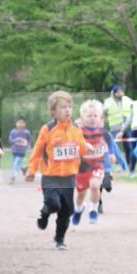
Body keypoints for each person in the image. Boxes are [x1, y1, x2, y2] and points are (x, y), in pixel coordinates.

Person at [25, 91, 88, 250]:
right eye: (63, 107)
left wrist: (86, 147)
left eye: (70, 107)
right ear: (53, 111)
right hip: (50, 176)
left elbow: (82, 149)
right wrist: (32, 170)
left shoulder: (76, 129)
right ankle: (44, 213)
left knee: (67, 210)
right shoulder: (48, 129)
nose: (67, 110)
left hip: (69, 176)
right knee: (53, 203)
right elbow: (37, 151)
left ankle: (59, 239)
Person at [73, 100, 118, 225]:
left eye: (95, 116)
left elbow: (110, 143)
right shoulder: (78, 132)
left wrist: (112, 154)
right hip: (82, 168)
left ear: (100, 118)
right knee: (81, 194)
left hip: (97, 166)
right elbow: (72, 143)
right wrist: (81, 147)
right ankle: (78, 209)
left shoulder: (104, 133)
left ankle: (93, 210)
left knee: (95, 185)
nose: (92, 118)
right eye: (89, 116)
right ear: (82, 118)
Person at [103, 84, 133, 173]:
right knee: (116, 148)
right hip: (115, 128)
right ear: (115, 93)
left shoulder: (127, 100)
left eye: (122, 91)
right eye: (119, 92)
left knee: (129, 147)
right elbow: (103, 113)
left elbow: (133, 110)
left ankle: (129, 164)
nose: (121, 93)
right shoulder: (108, 102)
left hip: (126, 127)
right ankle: (119, 165)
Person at [7, 117, 31, 184]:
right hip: (14, 150)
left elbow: (29, 140)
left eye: (22, 123)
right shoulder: (13, 132)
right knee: (17, 162)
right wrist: (16, 140)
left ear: (25, 124)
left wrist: (28, 146)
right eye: (19, 123)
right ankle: (24, 168)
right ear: (16, 124)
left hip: (22, 151)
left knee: (15, 163)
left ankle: (13, 176)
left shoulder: (26, 132)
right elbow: (10, 140)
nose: (20, 124)